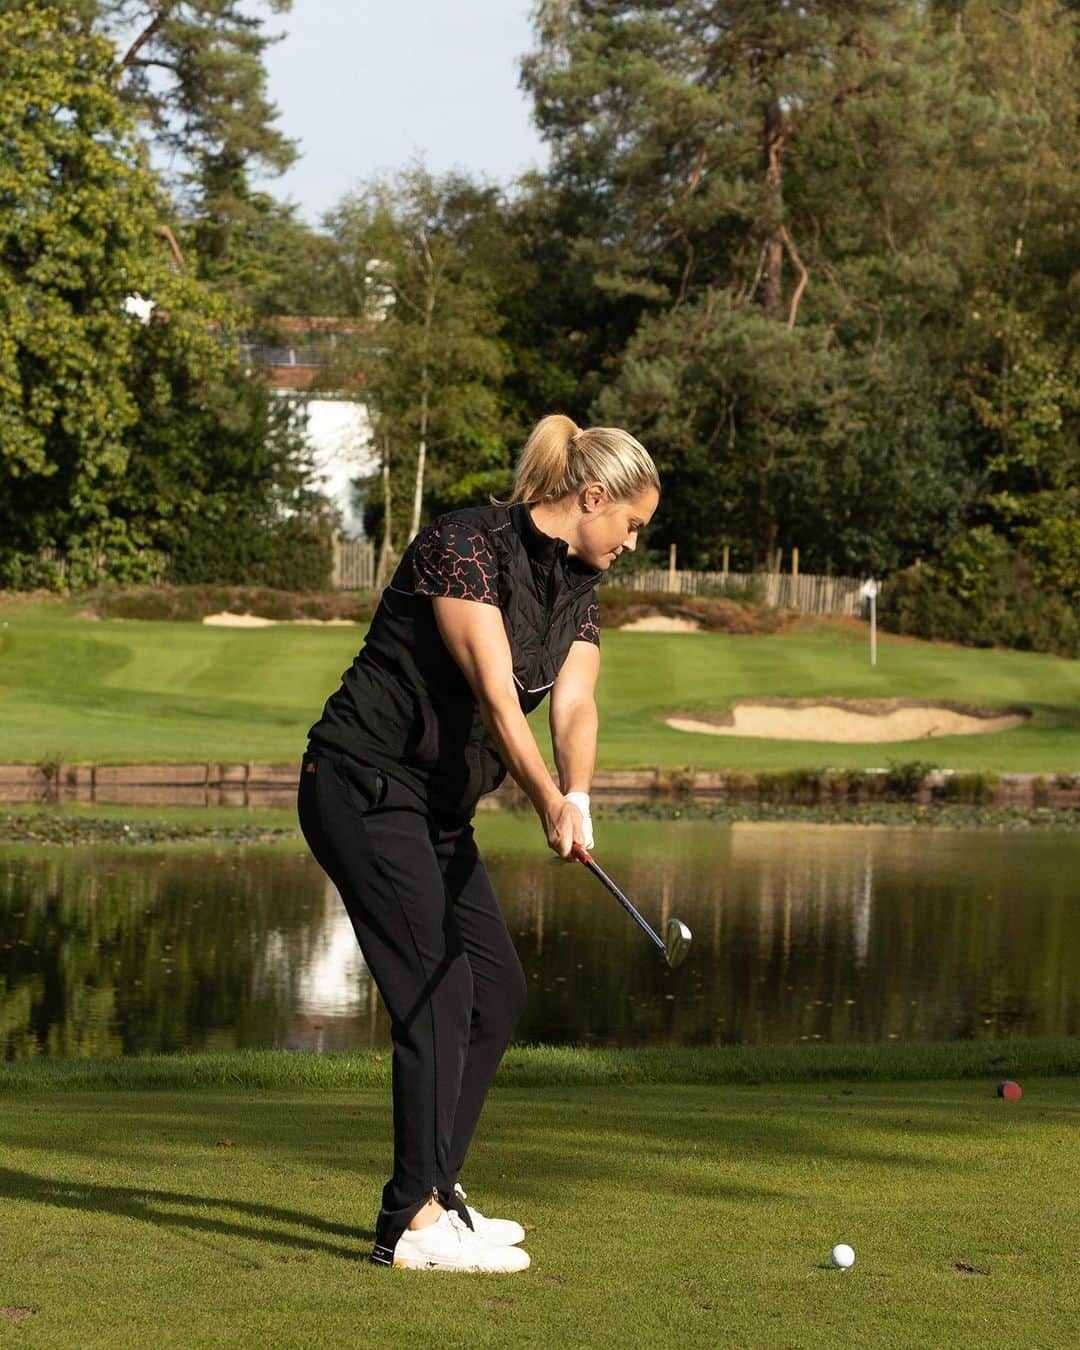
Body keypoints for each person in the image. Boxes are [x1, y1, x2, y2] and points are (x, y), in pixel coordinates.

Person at [297, 413, 660, 1273]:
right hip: (363, 785)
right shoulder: (463, 546)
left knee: (494, 988)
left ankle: (439, 1194)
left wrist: (577, 792)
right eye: (633, 524)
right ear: (593, 496)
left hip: (435, 811)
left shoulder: (576, 588)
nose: (633, 543)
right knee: (437, 987)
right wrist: (541, 802)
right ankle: (407, 1228)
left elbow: (572, 704)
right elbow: (500, 701)